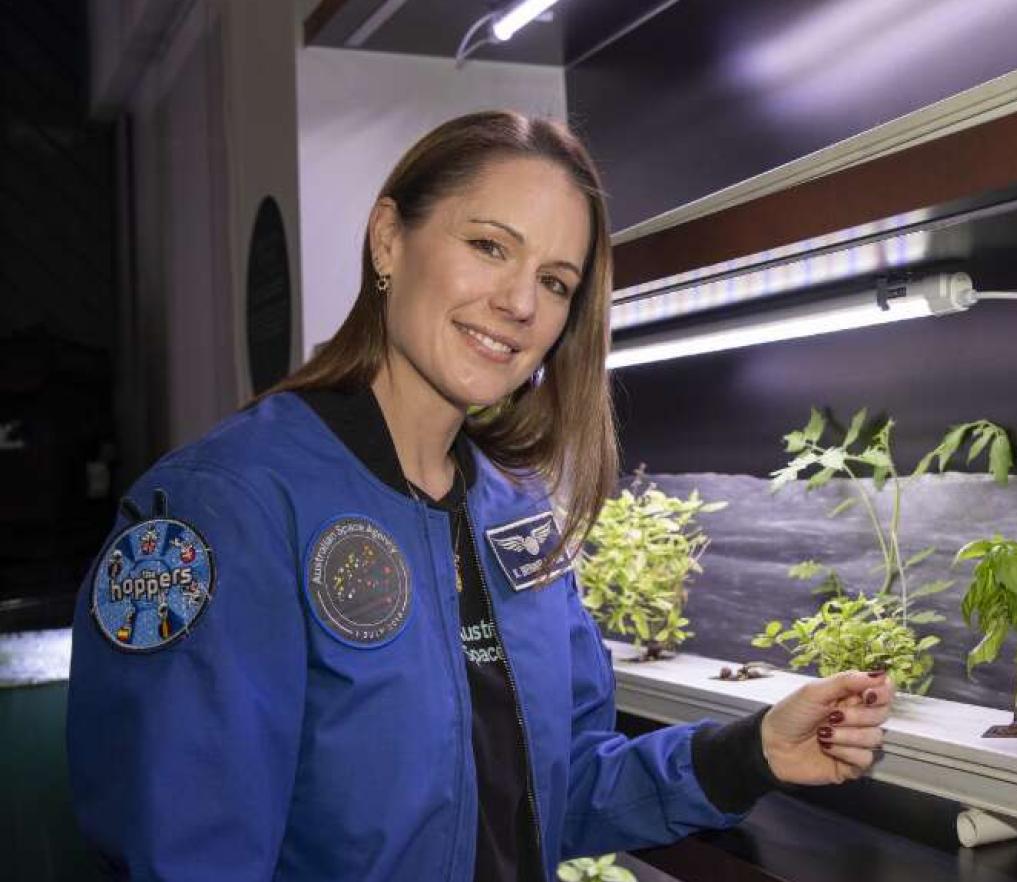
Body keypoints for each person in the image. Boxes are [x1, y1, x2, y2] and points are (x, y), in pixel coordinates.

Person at [67, 110, 892, 881]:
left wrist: (751, 753)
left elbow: (561, 794)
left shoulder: (516, 516)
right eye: (491, 246)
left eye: (558, 281)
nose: (522, 304)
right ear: (389, 239)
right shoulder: (231, 508)